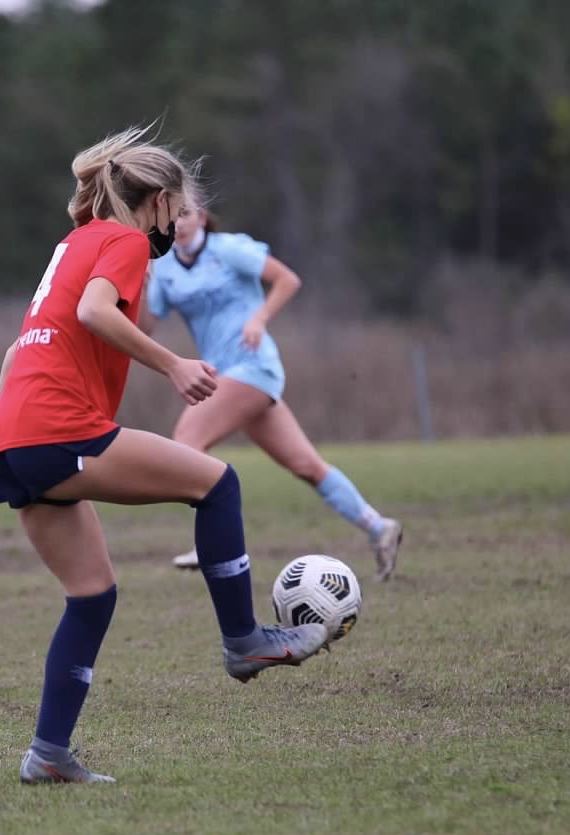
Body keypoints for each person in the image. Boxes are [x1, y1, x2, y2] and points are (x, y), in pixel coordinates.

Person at [0, 127, 327, 785]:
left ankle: (47, 754)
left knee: (91, 593)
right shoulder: (125, 239)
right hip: (61, 429)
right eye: (178, 210)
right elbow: (97, 312)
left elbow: (21, 349)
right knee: (217, 482)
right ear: (155, 201)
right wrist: (173, 365)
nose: (178, 223)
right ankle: (243, 639)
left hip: (21, 437)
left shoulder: (74, 241)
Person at [140, 204, 403, 580]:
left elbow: (287, 280)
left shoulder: (228, 249)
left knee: (187, 438)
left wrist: (259, 319)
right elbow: (145, 326)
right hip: (224, 374)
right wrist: (141, 277)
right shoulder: (163, 268)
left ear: (202, 216)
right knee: (307, 466)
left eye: (186, 213)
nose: (179, 222)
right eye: (173, 215)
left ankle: (210, 541)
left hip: (253, 366)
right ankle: (380, 528)